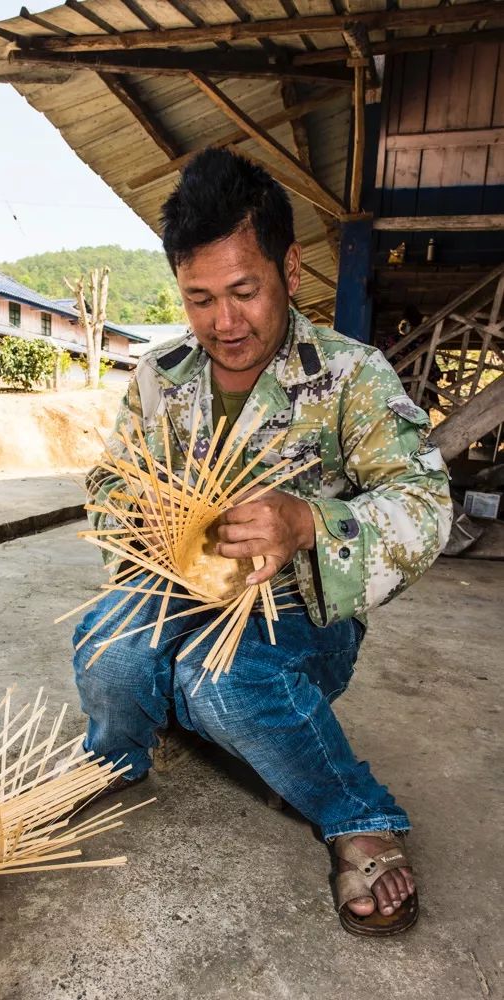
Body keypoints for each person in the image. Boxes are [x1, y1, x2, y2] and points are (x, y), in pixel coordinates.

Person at [72, 148, 452, 937]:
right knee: (106, 644)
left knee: (223, 683)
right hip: (176, 589)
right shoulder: (159, 375)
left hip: (301, 613)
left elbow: (424, 503)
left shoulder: (350, 376)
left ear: (289, 266)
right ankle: (116, 752)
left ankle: (355, 813)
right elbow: (107, 483)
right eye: (199, 298)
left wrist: (308, 523)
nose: (222, 323)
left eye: (243, 291)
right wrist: (135, 518)